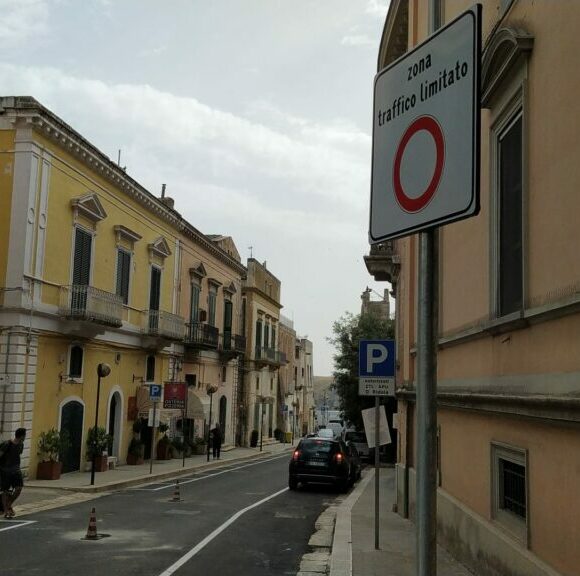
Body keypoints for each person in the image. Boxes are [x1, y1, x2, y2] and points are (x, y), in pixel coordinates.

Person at [0, 428, 27, 519]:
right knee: (5, 490)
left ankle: (8, 504)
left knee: (19, 488)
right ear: (22, 436)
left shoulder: (21, 445)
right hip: (5, 470)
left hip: (16, 470)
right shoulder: (7, 444)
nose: (25, 437)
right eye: (24, 435)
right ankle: (6, 510)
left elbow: (18, 454)